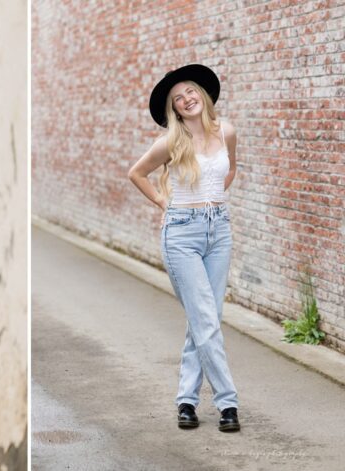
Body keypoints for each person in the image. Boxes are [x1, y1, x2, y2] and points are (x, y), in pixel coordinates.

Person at [127, 64, 240, 432]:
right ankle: (228, 404)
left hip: (219, 232)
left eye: (191, 91)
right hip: (181, 235)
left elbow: (230, 170)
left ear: (202, 95)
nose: (187, 99)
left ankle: (187, 402)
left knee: (205, 319)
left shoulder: (226, 131)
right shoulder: (170, 143)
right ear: (174, 109)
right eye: (179, 98)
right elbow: (136, 173)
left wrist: (213, 199)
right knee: (205, 320)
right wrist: (165, 203)